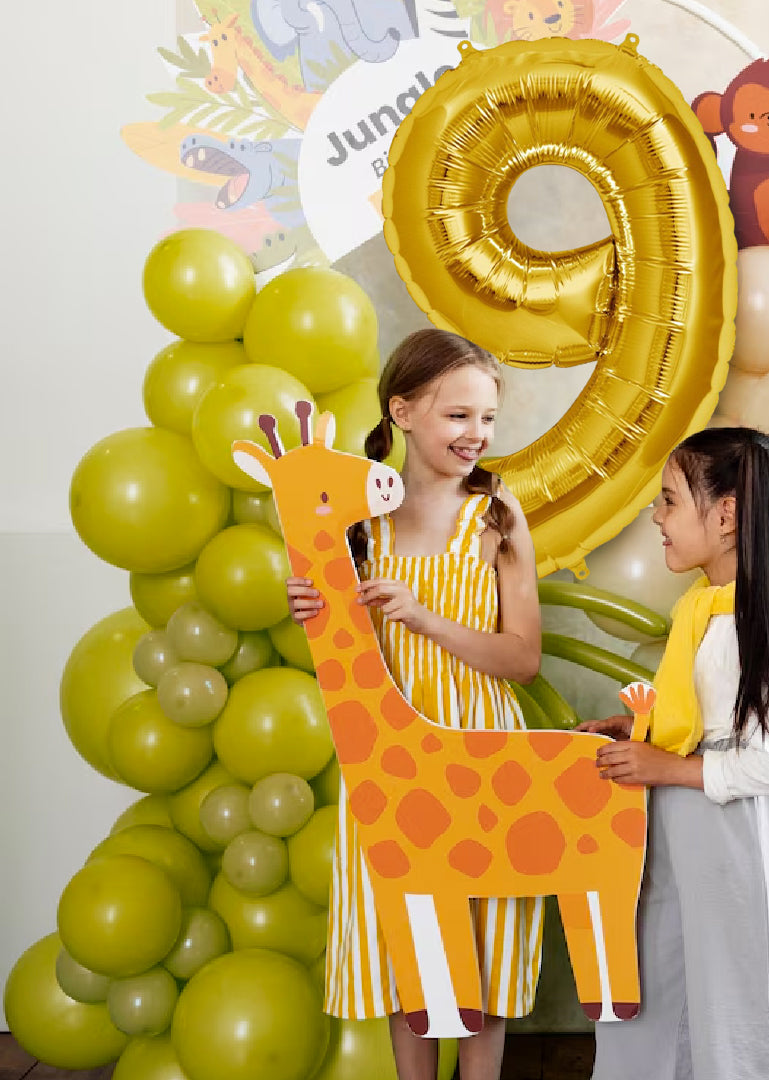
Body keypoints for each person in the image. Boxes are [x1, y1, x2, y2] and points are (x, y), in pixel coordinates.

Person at [286, 328, 543, 1080]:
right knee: (409, 939)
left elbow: (522, 658)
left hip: (481, 748)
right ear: (401, 412)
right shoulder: (356, 526)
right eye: (457, 415)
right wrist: (314, 612)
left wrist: (426, 618)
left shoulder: (496, 517)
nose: (477, 433)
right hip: (390, 762)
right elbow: (347, 663)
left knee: (484, 943)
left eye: (487, 417)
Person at [579, 426, 769, 1080]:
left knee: (743, 1007)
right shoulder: (706, 611)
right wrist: (641, 733)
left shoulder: (757, 619)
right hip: (686, 828)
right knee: (661, 988)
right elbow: (708, 718)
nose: (656, 517)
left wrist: (666, 766)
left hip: (735, 833)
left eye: (668, 500)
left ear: (725, 515)